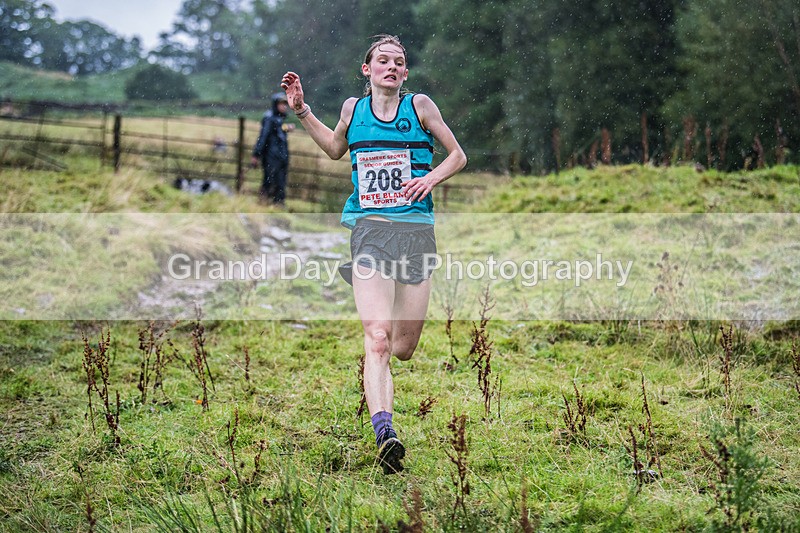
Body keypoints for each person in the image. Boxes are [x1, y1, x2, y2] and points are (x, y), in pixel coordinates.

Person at [281, 34, 467, 474]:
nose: (391, 67)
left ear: (405, 73)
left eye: (399, 62)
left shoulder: (420, 107)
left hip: (416, 233)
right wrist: (303, 111)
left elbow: (458, 155)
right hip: (369, 232)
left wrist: (430, 180)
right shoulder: (352, 109)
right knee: (378, 337)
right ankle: (385, 433)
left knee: (403, 347)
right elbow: (333, 149)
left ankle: (384, 398)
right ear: (367, 70)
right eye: (383, 60)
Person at [251, 92, 294, 205]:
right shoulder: (269, 118)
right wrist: (256, 154)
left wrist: (286, 128)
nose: (284, 106)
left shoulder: (279, 119)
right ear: (275, 105)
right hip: (271, 157)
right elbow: (263, 137)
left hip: (281, 157)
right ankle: (263, 203)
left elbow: (279, 130)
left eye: (285, 104)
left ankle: (278, 204)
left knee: (281, 182)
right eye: (281, 104)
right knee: (269, 180)